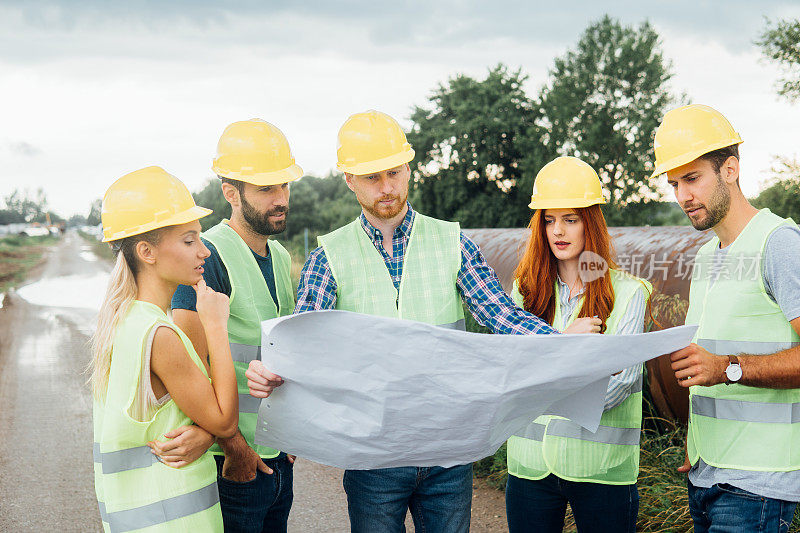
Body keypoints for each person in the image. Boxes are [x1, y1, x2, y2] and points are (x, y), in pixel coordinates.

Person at [246, 110, 598, 533]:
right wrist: (272, 371)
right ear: (350, 181)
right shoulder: (329, 256)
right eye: (372, 177)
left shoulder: (451, 242)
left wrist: (563, 345)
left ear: (409, 169)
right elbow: (302, 345)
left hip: (446, 450)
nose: (387, 187)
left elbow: (501, 316)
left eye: (394, 172)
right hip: (372, 456)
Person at [654, 104, 800, 532]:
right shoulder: (705, 257)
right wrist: (695, 442)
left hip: (757, 483)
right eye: (675, 183)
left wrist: (727, 368)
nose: (683, 196)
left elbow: (721, 367)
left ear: (730, 170)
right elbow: (708, 359)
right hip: (706, 475)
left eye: (693, 179)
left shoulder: (780, 244)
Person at [503, 156, 652, 532]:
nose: (558, 231)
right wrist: (572, 361)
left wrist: (538, 379)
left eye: (570, 219)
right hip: (530, 466)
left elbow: (618, 387)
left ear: (590, 223)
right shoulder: (524, 292)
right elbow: (506, 372)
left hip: (601, 471)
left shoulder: (629, 293)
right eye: (549, 220)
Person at [167, 119, 301, 533]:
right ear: (231, 193)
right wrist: (234, 447)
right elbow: (191, 368)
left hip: (277, 456)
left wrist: (295, 431)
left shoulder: (278, 256)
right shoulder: (208, 257)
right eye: (265, 189)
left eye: (283, 186)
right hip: (235, 462)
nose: (280, 199)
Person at [90, 166, 238, 532]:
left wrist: (203, 432)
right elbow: (224, 420)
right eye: (189, 241)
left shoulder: (124, 321)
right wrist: (216, 325)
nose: (203, 251)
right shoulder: (160, 335)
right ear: (147, 252)